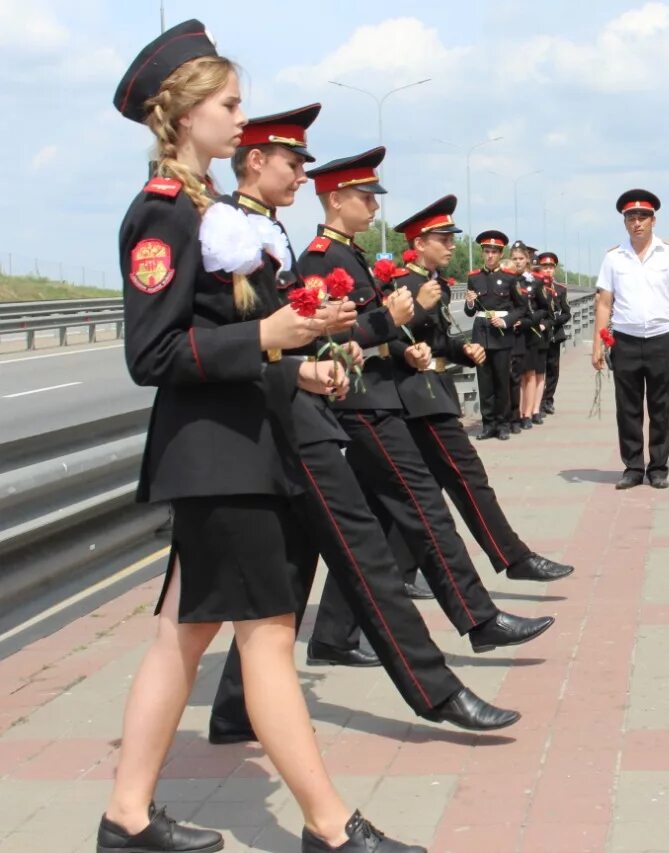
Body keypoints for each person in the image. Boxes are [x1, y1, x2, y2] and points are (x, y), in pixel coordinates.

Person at [104, 21, 424, 853]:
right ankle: (328, 825)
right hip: (215, 457)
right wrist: (270, 338)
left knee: (183, 633)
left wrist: (296, 359)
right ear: (182, 115)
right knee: (269, 637)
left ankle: (127, 816)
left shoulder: (207, 208)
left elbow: (239, 337)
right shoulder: (163, 214)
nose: (242, 121)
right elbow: (153, 352)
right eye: (228, 105)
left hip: (236, 445)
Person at [206, 114, 521, 750]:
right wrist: (371, 331)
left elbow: (299, 332)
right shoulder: (229, 229)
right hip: (304, 414)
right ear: (254, 161)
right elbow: (240, 338)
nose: (301, 173)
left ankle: (237, 712)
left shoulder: (267, 231)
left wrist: (342, 340)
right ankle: (438, 686)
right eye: (292, 163)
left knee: (295, 569)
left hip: (304, 406)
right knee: (365, 550)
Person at [296, 151, 554, 664]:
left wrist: (400, 341)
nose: (373, 206)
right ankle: (478, 619)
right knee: (426, 510)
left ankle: (333, 634)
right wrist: (389, 332)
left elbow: (369, 329)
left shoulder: (350, 255)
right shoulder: (323, 258)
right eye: (364, 197)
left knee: (376, 523)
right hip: (367, 402)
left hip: (381, 396)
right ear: (334, 199)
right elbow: (319, 334)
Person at [388, 197, 574, 583]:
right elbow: (389, 336)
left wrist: (463, 349)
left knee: (413, 491)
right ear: (420, 243)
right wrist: (418, 333)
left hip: (433, 391)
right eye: (444, 238)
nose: (453, 244)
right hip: (415, 396)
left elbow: (438, 339)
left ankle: (400, 575)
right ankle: (513, 557)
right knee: (466, 477)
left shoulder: (431, 283)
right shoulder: (404, 285)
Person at [592, 189, 669, 490]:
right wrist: (598, 345)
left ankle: (658, 467)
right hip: (625, 341)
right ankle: (633, 467)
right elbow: (604, 303)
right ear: (625, 222)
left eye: (643, 217)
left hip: (662, 339)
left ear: (653, 220)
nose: (637, 222)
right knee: (628, 408)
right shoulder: (613, 258)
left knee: (661, 407)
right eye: (631, 217)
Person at [466, 230, 523, 440]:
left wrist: (506, 321)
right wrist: (470, 302)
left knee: (502, 381)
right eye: (486, 251)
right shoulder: (474, 277)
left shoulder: (509, 278)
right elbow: (470, 312)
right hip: (481, 334)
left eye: (494, 252)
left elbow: (521, 308)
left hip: (501, 334)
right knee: (484, 382)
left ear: (500, 254)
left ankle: (503, 424)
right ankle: (488, 424)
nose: (490, 255)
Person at [510, 241, 551, 429]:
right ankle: (516, 413)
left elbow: (544, 309)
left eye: (520, 258)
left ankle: (528, 413)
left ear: (527, 259)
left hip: (531, 332)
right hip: (513, 332)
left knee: (530, 374)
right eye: (514, 258)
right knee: (516, 375)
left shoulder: (536, 281)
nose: (517, 262)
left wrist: (531, 321)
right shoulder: (509, 279)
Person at [539, 251, 571, 415]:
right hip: (537, 335)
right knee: (537, 370)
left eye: (551, 267)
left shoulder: (560, 289)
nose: (548, 270)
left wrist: (555, 321)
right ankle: (537, 401)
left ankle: (548, 400)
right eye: (545, 266)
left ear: (555, 268)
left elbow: (567, 313)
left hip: (553, 336)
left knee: (552, 369)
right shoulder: (534, 287)